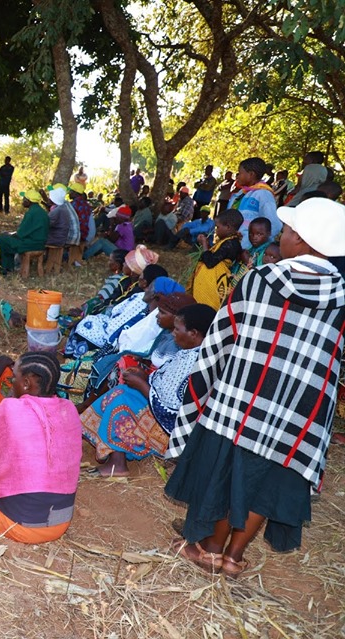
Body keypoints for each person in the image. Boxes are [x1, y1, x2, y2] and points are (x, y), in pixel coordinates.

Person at [165, 198, 345, 577]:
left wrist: (202, 388)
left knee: (230, 473)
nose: (283, 236)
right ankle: (234, 557)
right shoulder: (342, 297)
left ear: (303, 241)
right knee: (269, 477)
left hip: (244, 399)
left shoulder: (259, 280)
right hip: (302, 410)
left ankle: (210, 550)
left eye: (289, 230)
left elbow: (221, 339)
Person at [82, 303, 215, 477]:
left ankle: (117, 463)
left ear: (193, 333)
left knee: (122, 402)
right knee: (122, 392)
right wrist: (144, 376)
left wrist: (141, 384)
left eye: (177, 329)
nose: (173, 333)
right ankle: (109, 450)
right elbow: (164, 383)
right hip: (159, 412)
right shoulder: (190, 353)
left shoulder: (195, 362)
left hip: (169, 432)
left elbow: (170, 411)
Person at [0, 352, 81, 543]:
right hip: (59, 525)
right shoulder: (69, 409)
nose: (11, 383)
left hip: (16, 525)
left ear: (26, 383)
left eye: (14, 378)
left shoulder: (10, 408)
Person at [187, 209, 244, 309]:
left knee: (206, 306)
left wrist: (205, 244)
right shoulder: (227, 241)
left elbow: (210, 262)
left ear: (228, 227)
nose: (215, 230)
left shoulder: (230, 244)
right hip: (212, 278)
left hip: (214, 281)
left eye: (218, 227)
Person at [229, 157, 281, 249]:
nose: (237, 176)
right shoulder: (242, 193)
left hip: (249, 248)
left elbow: (273, 223)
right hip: (234, 246)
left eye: (240, 173)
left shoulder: (263, 194)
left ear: (251, 174)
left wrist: (259, 248)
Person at [0, 189, 49, 273]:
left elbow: (20, 233)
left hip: (30, 244)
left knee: (1, 239)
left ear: (29, 201)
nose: (22, 201)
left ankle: (6, 267)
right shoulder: (43, 212)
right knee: (8, 239)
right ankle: (9, 266)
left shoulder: (31, 213)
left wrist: (11, 235)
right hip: (41, 244)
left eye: (24, 199)